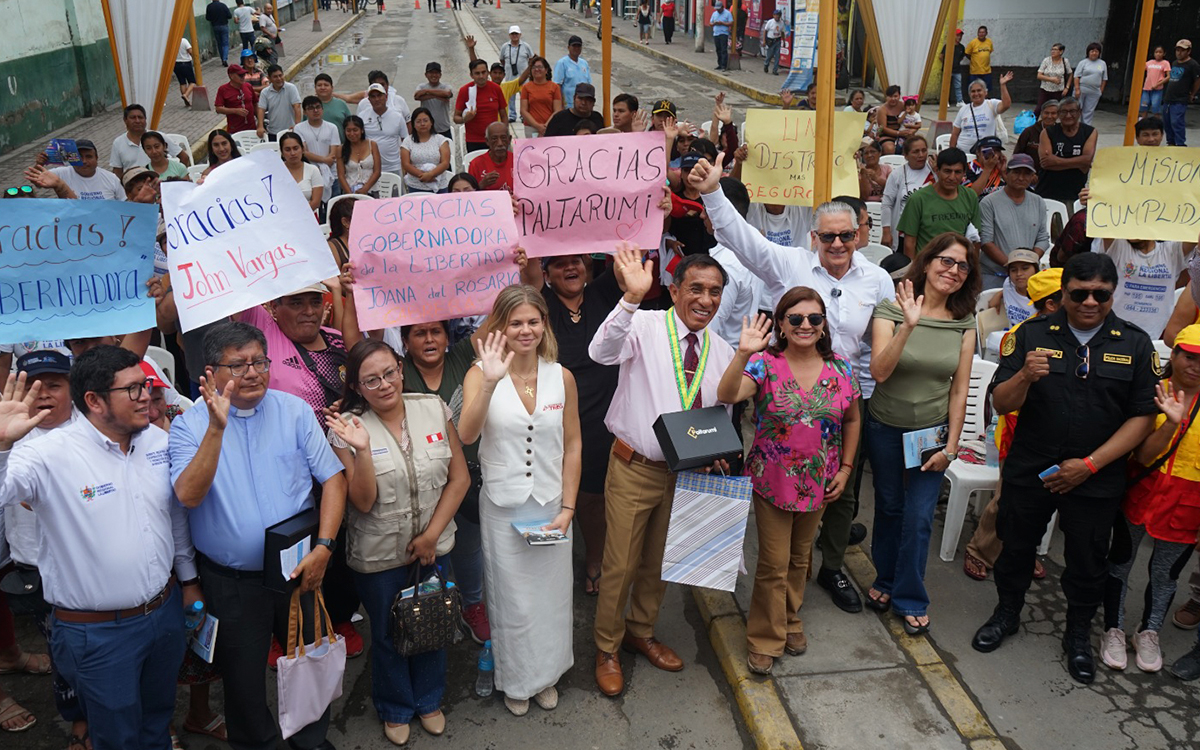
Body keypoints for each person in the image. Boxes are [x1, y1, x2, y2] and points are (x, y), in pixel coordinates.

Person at [971, 253, 1159, 685]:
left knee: (1087, 560)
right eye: (1079, 293)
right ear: (1064, 292)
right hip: (1032, 465)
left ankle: (1077, 634)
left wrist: (1090, 464)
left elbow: (1142, 417)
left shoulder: (1134, 343)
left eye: (1101, 294)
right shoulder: (1031, 334)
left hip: (1096, 473)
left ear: (1113, 295)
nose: (1090, 302)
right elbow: (1000, 403)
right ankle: (1007, 613)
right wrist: (1024, 379)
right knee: (1015, 545)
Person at [0, 347, 200, 749]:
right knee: (116, 736)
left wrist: (189, 580)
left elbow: (174, 518)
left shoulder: (155, 441)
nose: (147, 396)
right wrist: (1, 445)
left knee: (158, 720)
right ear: (93, 400)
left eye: (145, 385)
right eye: (132, 390)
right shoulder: (44, 454)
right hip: (98, 633)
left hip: (163, 615)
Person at [169, 321, 348, 749]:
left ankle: (311, 741)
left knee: (309, 661)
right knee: (243, 681)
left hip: (300, 569)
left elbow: (334, 480)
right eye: (239, 364)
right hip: (231, 582)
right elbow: (188, 496)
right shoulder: (188, 426)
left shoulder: (294, 410)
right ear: (209, 373)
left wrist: (324, 547)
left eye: (259, 362)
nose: (252, 372)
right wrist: (217, 427)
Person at [589, 248, 736, 697]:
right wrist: (631, 298)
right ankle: (607, 648)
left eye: (714, 292)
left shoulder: (724, 350)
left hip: (684, 474)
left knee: (659, 564)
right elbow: (600, 352)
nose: (705, 300)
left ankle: (641, 630)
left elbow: (720, 413)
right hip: (635, 467)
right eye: (695, 288)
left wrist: (717, 453)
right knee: (620, 565)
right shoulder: (645, 325)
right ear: (674, 291)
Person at [326, 340, 468, 745]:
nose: (384, 384)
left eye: (389, 373)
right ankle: (395, 706)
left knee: (433, 622)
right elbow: (363, 501)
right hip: (379, 554)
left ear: (401, 370)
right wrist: (363, 450)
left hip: (433, 544)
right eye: (371, 380)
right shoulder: (347, 428)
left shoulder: (433, 407)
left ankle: (429, 699)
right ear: (356, 386)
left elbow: (459, 479)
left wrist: (430, 536)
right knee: (388, 635)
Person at [719, 290, 861, 675]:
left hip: (821, 480)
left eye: (814, 319)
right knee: (774, 563)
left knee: (800, 558)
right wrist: (743, 353)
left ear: (823, 325)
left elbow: (851, 420)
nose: (805, 326)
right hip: (773, 480)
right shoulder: (765, 364)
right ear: (781, 323)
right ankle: (765, 637)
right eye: (795, 319)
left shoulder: (841, 368)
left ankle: (789, 619)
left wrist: (846, 469)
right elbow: (727, 395)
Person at [457, 286, 581, 716]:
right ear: (500, 327)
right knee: (511, 601)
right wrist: (490, 383)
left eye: (532, 321)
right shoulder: (479, 372)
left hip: (549, 505)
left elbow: (574, 444)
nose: (525, 330)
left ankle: (545, 674)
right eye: (515, 322)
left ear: (544, 324)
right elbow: (466, 435)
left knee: (550, 598)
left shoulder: (560, 376)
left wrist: (568, 508)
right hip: (503, 507)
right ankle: (516, 680)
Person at [865, 233, 978, 634]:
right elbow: (879, 372)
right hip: (884, 426)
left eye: (963, 266)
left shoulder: (965, 323)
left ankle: (910, 596)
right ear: (927, 264)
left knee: (918, 517)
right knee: (890, 507)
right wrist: (908, 327)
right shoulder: (889, 310)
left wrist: (951, 448)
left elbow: (960, 389)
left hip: (931, 433)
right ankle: (885, 579)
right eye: (947, 261)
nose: (953, 271)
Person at [1100, 325, 1200, 673]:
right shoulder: (1149, 392)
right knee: (1121, 562)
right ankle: (1113, 628)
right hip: (1141, 493)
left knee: (1165, 574)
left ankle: (1149, 631)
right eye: (1190, 356)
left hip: (1188, 506)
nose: (1196, 365)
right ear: (1173, 355)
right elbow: (1142, 456)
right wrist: (1171, 423)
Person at [963, 269, 1063, 580]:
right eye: (1071, 297)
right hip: (1022, 431)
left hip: (1061, 431)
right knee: (1008, 496)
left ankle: (1024, 549)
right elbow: (1002, 394)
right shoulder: (1022, 335)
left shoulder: (1080, 337)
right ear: (1050, 305)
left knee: (1044, 497)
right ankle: (980, 550)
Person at [1093, 235, 1194, 340]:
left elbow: (1193, 232)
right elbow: (1107, 228)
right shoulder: (1119, 247)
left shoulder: (1171, 251)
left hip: (1156, 336)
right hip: (1116, 333)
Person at [978, 153, 1048, 289]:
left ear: (1033, 177)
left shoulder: (1038, 201)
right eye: (1016, 172)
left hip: (1028, 276)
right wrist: (1013, 267)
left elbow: (1043, 238)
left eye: (1027, 174)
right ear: (1007, 173)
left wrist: (1027, 264)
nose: (1021, 178)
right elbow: (986, 242)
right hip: (994, 273)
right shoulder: (989, 202)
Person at [897, 147, 979, 259]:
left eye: (958, 172)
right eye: (947, 171)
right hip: (926, 265)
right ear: (937, 170)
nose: (952, 177)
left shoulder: (970, 196)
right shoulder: (918, 199)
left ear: (964, 173)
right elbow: (909, 243)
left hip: (958, 265)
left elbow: (976, 238)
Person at [1034, 96, 1097, 207]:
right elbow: (1046, 163)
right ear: (1059, 114)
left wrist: (1056, 161)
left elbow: (1087, 160)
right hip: (1046, 192)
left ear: (1079, 112)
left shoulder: (1089, 132)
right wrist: (1078, 163)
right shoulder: (1048, 132)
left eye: (1072, 111)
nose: (1068, 115)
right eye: (1064, 112)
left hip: (1075, 195)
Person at [880, 135, 933, 250]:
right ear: (906, 155)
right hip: (904, 234)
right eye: (916, 152)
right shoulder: (897, 174)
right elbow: (887, 204)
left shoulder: (935, 171)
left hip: (930, 233)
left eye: (924, 150)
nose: (921, 155)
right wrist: (886, 232)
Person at [111, 104, 187, 179]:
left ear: (145, 119)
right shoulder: (118, 143)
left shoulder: (159, 136)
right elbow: (117, 171)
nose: (137, 121)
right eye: (133, 118)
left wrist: (179, 179)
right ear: (125, 120)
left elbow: (184, 157)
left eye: (140, 117)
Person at [35, 139, 123, 200]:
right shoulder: (61, 174)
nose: (84, 161)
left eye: (89, 157)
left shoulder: (112, 179)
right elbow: (38, 181)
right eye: (79, 157)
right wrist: (39, 164)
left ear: (96, 158)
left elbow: (124, 205)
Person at [951, 73, 1014, 155]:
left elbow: (1006, 105)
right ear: (969, 94)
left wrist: (1003, 85)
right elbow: (955, 134)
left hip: (985, 154)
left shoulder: (991, 104)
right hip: (963, 154)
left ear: (985, 92)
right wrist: (951, 152)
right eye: (973, 91)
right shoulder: (963, 109)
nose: (976, 94)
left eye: (979, 90)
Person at [455, 60, 506, 153]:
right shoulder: (464, 90)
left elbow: (503, 115)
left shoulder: (496, 89)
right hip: (474, 141)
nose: (481, 76)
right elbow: (455, 117)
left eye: (483, 72)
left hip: (494, 140)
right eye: (477, 73)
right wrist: (465, 119)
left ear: (488, 73)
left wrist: (505, 135)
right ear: (471, 75)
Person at [294, 96, 341, 198]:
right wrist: (324, 160)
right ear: (305, 112)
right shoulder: (299, 128)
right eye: (311, 108)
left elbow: (333, 153)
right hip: (310, 174)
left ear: (322, 109)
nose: (315, 110)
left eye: (318, 107)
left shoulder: (332, 127)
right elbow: (304, 152)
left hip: (332, 173)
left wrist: (327, 161)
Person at [400, 107, 451, 194]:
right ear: (414, 125)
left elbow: (445, 163)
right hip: (416, 185)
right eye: (418, 121)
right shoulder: (407, 141)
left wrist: (431, 175)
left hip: (439, 185)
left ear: (431, 122)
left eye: (425, 120)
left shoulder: (440, 139)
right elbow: (406, 164)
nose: (422, 124)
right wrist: (423, 176)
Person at [363, 84, 409, 179]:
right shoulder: (362, 116)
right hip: (370, 168)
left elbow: (406, 141)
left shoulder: (397, 117)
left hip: (393, 166)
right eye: (373, 96)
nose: (376, 99)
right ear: (369, 100)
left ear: (386, 97)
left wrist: (406, 165)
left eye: (379, 95)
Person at [987, 249, 1040, 326]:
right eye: (1013, 270)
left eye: (1025, 268)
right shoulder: (1008, 284)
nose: (1019, 274)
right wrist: (999, 294)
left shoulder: (1044, 295)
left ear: (1036, 270)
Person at [1164, 39, 1200, 147]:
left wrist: (1192, 94)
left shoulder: (1193, 65)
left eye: (1183, 50)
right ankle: (1170, 142)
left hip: (1180, 99)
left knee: (1177, 121)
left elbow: (1198, 80)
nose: (1179, 52)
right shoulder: (1174, 63)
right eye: (1178, 50)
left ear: (1188, 51)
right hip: (1168, 97)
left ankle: (1180, 144)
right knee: (1167, 122)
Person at [279, 132, 323, 213]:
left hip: (308, 217)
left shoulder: (313, 170)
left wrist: (298, 215)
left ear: (302, 149)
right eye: (287, 150)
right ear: (282, 152)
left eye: (295, 148)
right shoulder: (276, 172)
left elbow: (316, 203)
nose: (292, 153)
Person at [338, 114, 382, 196]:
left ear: (362, 130)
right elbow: (341, 175)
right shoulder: (341, 149)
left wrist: (365, 189)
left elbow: (377, 172)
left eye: (355, 130)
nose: (352, 133)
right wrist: (350, 194)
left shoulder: (372, 145)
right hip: (350, 191)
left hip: (371, 190)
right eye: (348, 130)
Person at [517, 57, 561, 138]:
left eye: (540, 67)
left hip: (550, 127)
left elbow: (557, 110)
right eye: (534, 67)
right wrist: (537, 126)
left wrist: (545, 126)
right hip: (531, 128)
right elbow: (523, 110)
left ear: (546, 70)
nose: (537, 69)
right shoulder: (526, 87)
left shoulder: (554, 87)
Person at [256, 64, 301, 140]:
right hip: (273, 132)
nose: (279, 78)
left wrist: (297, 126)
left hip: (290, 131)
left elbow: (297, 106)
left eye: (280, 75)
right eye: (275, 77)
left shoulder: (291, 88)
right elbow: (261, 109)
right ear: (269, 78)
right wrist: (260, 126)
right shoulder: (265, 92)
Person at [467, 122, 513, 192]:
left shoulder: (518, 161)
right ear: (487, 141)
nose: (500, 143)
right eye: (494, 139)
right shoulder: (475, 164)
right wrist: (481, 185)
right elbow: (469, 196)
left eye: (503, 138)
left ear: (509, 139)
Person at [214, 64, 258, 134]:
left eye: (244, 75)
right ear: (231, 76)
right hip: (235, 130)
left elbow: (255, 103)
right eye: (240, 75)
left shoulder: (248, 86)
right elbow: (218, 108)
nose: (243, 77)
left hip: (252, 128)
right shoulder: (223, 89)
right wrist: (235, 111)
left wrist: (260, 122)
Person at [414, 62, 455, 139]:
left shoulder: (445, 86)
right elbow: (416, 96)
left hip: (444, 129)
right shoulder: (421, 86)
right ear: (426, 75)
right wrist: (439, 95)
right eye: (431, 73)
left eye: (436, 73)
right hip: (427, 130)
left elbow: (447, 94)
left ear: (440, 75)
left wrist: (427, 92)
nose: (434, 75)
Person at [1014, 100, 1057, 172]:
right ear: (1041, 113)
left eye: (1053, 113)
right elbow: (1017, 154)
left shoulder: (1061, 132)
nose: (1049, 116)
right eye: (1046, 113)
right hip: (1030, 174)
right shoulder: (1029, 132)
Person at [502, 26, 533, 121]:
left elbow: (531, 58)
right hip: (510, 76)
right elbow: (502, 59)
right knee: (511, 97)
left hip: (523, 78)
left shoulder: (526, 46)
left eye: (516, 34)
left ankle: (524, 115)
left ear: (520, 35)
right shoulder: (505, 47)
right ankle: (512, 115)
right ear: (509, 35)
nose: (514, 36)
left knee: (524, 97)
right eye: (512, 34)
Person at [1073, 43, 1108, 126]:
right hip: (1082, 89)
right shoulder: (1083, 62)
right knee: (1076, 109)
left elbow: (1104, 79)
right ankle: (1074, 126)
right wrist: (1077, 89)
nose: (1094, 53)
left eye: (1096, 51)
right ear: (1088, 52)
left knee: (1089, 111)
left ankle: (1085, 128)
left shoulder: (1102, 63)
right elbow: (1076, 77)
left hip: (1094, 91)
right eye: (1092, 51)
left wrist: (1100, 91)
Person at [553, 35, 592, 106]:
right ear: (568, 47)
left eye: (579, 46)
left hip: (583, 105)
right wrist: (560, 105)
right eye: (574, 46)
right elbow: (557, 86)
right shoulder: (562, 63)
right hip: (569, 105)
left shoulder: (584, 63)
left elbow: (588, 84)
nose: (576, 48)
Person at [1035, 43, 1072, 115]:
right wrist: (1051, 79)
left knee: (1057, 110)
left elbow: (1070, 74)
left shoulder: (1065, 61)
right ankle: (1033, 124)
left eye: (1055, 50)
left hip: (1058, 91)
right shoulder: (1046, 60)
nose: (1052, 51)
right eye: (1052, 49)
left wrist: (1067, 87)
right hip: (1045, 89)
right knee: (1039, 109)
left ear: (1061, 52)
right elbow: (1039, 75)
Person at [314, 74, 351, 140]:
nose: (323, 88)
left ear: (332, 88)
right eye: (319, 85)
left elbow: (350, 124)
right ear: (315, 88)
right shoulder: (310, 106)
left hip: (341, 146)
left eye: (326, 85)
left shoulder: (341, 104)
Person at [1140, 46, 1172, 118]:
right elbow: (1140, 68)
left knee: (1155, 107)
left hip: (1157, 90)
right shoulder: (1149, 63)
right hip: (1146, 89)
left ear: (1164, 54)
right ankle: (1144, 123)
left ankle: (1156, 125)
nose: (1158, 54)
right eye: (1156, 52)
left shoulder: (1165, 63)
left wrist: (1158, 84)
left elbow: (1168, 77)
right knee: (1144, 107)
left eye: (1160, 52)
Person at [872, 86, 904, 154]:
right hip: (887, 135)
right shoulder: (882, 109)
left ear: (899, 96)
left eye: (895, 96)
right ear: (886, 97)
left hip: (903, 133)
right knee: (889, 148)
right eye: (890, 96)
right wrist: (899, 133)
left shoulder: (903, 105)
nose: (893, 99)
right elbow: (883, 128)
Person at [965, 25, 994, 93]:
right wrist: (974, 60)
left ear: (986, 33)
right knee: (973, 89)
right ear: (977, 33)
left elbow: (990, 52)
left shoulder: (989, 42)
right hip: (975, 71)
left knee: (986, 89)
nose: (981, 34)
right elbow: (967, 53)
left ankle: (985, 102)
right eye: (980, 32)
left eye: (983, 32)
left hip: (986, 71)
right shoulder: (973, 43)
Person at [206, 0, 233, 66]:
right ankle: (225, 59)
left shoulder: (209, 6)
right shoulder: (223, 6)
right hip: (224, 25)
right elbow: (229, 16)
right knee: (225, 43)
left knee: (219, 44)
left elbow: (207, 18)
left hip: (215, 26)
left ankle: (222, 59)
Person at [175, 34, 198, 108]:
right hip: (186, 63)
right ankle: (186, 95)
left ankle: (186, 101)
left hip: (176, 64)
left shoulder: (172, 42)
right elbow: (190, 51)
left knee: (182, 82)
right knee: (193, 82)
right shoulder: (184, 41)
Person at [710, 0, 733, 71]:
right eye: (717, 9)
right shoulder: (714, 14)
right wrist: (714, 23)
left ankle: (724, 65)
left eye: (719, 9)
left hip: (723, 33)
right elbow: (710, 23)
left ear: (722, 7)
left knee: (723, 50)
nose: (718, 10)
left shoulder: (727, 13)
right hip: (716, 33)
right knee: (718, 50)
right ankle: (719, 64)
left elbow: (731, 23)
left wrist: (722, 23)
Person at [761, 9, 784, 74]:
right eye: (776, 15)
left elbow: (782, 32)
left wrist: (783, 41)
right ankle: (766, 64)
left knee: (777, 55)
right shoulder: (770, 22)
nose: (777, 17)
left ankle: (775, 70)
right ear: (773, 15)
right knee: (769, 55)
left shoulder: (781, 23)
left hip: (778, 40)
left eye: (778, 15)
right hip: (771, 40)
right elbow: (765, 31)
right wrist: (764, 40)